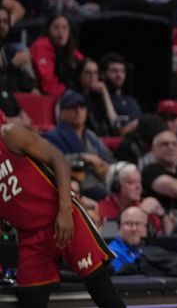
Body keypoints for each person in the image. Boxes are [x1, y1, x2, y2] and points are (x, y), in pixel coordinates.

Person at [0, 113, 125, 308]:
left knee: (103, 293)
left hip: (62, 216)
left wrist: (65, 210)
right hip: (30, 237)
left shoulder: (10, 134)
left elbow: (58, 158)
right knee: (30, 301)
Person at [45, 90, 114, 200]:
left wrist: (107, 167)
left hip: (103, 183)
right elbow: (51, 160)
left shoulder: (91, 135)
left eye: (82, 107)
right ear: (61, 112)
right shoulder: (52, 136)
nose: (78, 111)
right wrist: (82, 157)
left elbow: (109, 158)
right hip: (79, 187)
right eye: (72, 107)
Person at [98, 162, 168, 234]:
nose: (139, 187)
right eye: (131, 182)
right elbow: (118, 239)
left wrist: (162, 215)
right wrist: (142, 213)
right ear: (116, 186)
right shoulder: (102, 210)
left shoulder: (145, 205)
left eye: (139, 182)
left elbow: (169, 237)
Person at [30, 13, 83, 96]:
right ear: (48, 30)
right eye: (56, 27)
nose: (61, 32)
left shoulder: (69, 48)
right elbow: (47, 85)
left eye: (64, 28)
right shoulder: (42, 45)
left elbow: (85, 64)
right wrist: (72, 95)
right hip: (47, 97)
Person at [108, 206, 148, 273]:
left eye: (138, 224)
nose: (134, 229)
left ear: (146, 228)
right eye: (128, 223)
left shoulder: (149, 249)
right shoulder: (111, 253)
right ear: (120, 227)